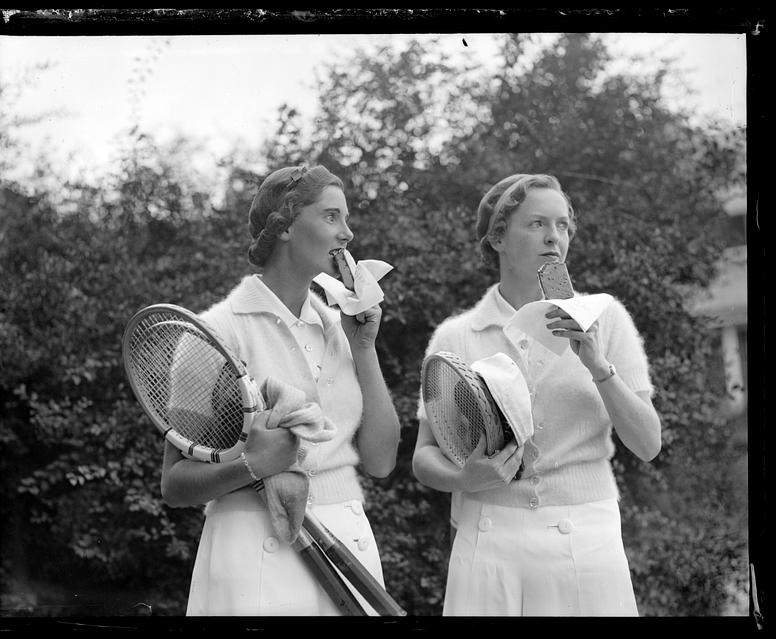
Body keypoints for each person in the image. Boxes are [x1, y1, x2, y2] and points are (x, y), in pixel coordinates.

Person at [412, 173, 661, 616]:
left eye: (563, 225)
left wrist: (598, 366)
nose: (554, 237)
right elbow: (424, 456)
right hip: (487, 539)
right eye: (537, 224)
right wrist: (464, 480)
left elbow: (647, 444)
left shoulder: (606, 319)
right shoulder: (457, 335)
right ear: (498, 239)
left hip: (586, 540)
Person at [161, 164, 401, 615]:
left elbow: (381, 461)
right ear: (286, 226)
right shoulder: (213, 332)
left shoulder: (341, 327)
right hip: (255, 556)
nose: (347, 233)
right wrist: (252, 465)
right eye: (331, 216)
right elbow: (175, 485)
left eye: (346, 218)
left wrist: (364, 348)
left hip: (348, 548)